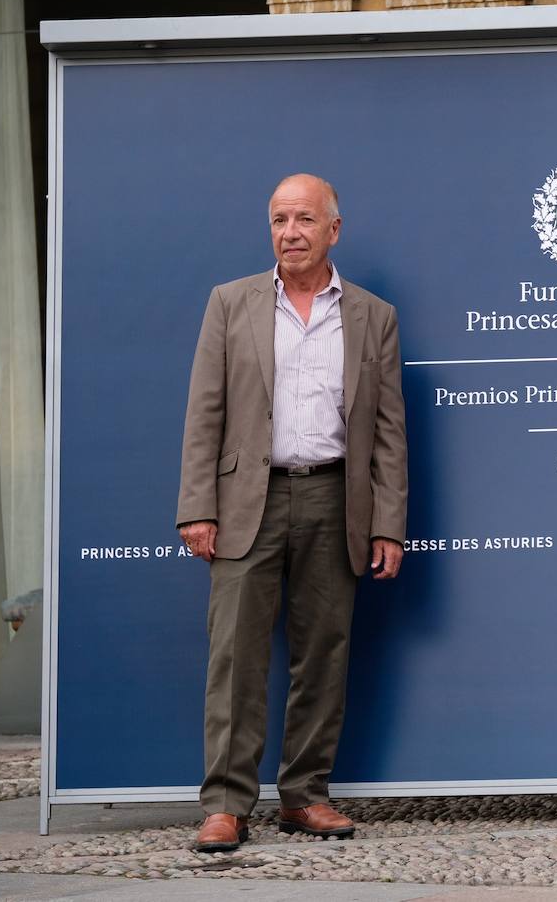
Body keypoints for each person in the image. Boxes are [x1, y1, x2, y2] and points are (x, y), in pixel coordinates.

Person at [176, 173, 407, 853]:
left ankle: (305, 795)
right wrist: (197, 506)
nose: (290, 233)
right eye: (279, 220)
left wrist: (387, 522)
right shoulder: (230, 303)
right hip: (247, 500)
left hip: (336, 499)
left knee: (323, 655)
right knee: (235, 657)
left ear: (334, 229)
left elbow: (389, 432)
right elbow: (204, 412)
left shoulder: (374, 316)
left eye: (304, 219)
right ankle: (226, 805)